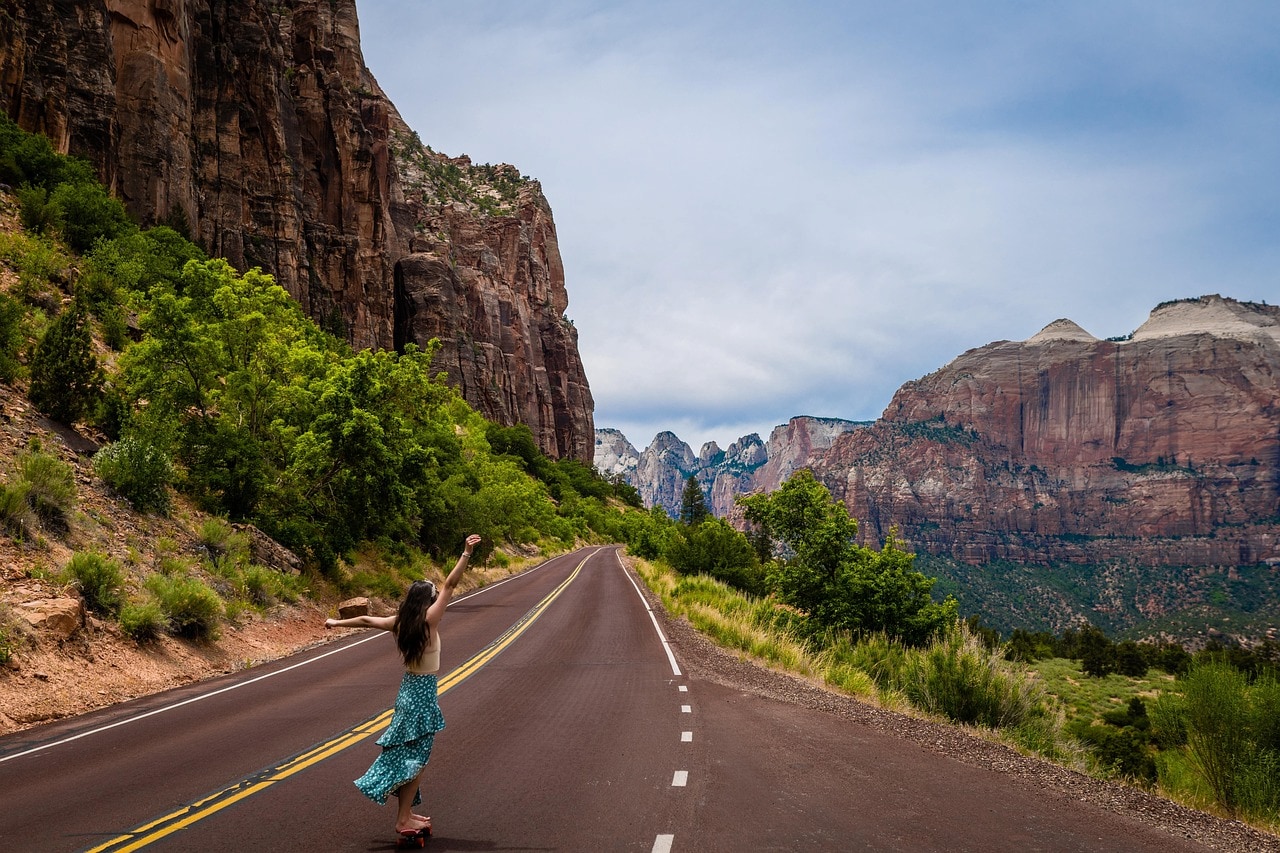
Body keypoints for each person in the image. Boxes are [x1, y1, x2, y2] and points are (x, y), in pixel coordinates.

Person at [325, 534, 483, 839]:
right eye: (433, 593)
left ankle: (407, 813)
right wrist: (465, 553)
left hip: (407, 692)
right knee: (418, 759)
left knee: (410, 757)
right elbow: (450, 585)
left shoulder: (401, 621)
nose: (439, 594)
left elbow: (368, 620)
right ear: (426, 601)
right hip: (422, 696)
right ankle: (402, 820)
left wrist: (336, 623)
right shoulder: (429, 621)